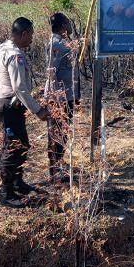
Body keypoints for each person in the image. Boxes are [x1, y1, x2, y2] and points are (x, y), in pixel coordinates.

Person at [0, 17, 49, 206]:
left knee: (22, 144)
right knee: (13, 147)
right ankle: (6, 193)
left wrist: (0, 96)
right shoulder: (15, 55)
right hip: (11, 106)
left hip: (4, 102)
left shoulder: (0, 49)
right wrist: (38, 110)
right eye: (31, 35)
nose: (31, 39)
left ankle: (17, 182)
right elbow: (20, 88)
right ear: (23, 34)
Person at [45, 12, 81, 184]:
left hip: (66, 96)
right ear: (62, 26)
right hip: (59, 98)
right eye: (67, 22)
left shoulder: (63, 43)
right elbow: (51, 72)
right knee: (56, 134)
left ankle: (59, 165)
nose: (70, 25)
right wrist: (55, 99)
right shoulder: (56, 44)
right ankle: (55, 172)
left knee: (63, 133)